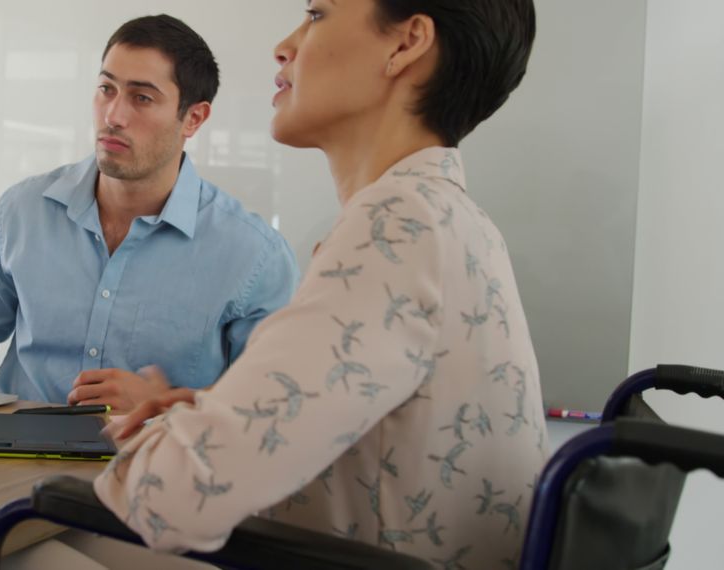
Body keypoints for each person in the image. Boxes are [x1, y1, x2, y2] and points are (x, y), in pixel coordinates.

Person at [95, 0, 546, 567]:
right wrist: (215, 413)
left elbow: (167, 501)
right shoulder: (452, 217)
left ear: (406, 45)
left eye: (316, 14)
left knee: (16, 539)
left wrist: (168, 436)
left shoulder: (396, 227)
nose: (284, 46)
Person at [0, 15, 298, 412]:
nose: (113, 115)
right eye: (106, 89)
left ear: (193, 118)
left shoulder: (255, 255)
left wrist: (167, 406)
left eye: (142, 98)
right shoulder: (22, 211)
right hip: (5, 460)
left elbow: (274, 406)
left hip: (154, 466)